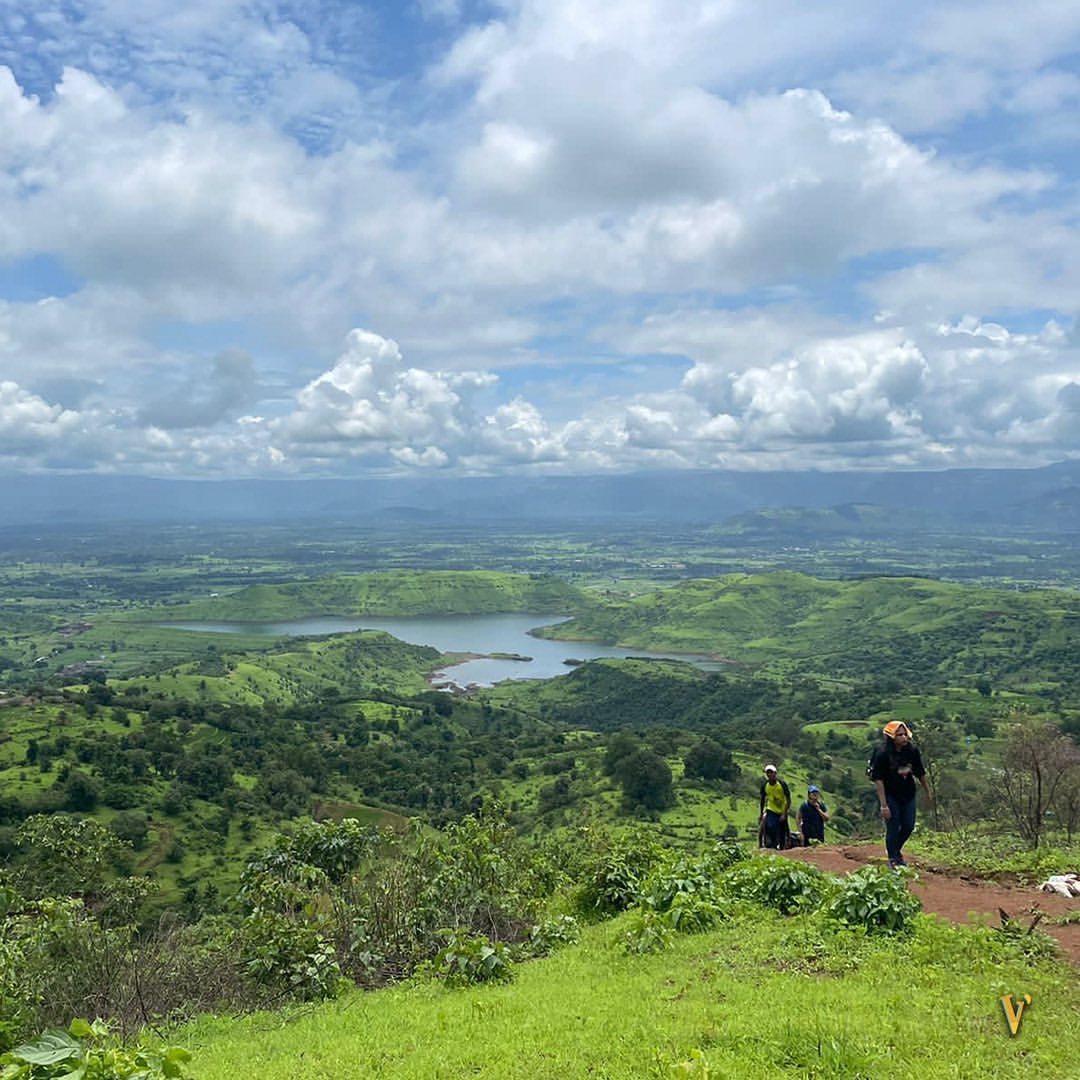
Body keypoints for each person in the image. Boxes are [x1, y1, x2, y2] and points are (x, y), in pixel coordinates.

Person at [870, 721, 932, 869]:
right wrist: (884, 805)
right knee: (893, 826)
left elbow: (920, 772)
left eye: (905, 734)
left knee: (908, 825)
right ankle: (893, 858)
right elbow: (878, 780)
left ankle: (895, 850)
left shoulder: (912, 751)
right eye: (899, 735)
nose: (903, 738)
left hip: (908, 793)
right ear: (891, 737)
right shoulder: (882, 754)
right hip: (891, 795)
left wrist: (928, 791)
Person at [758, 764, 791, 850]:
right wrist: (761, 813)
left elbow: (788, 799)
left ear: (775, 773)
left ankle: (783, 845)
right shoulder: (765, 785)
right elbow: (762, 799)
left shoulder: (782, 784)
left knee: (782, 830)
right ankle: (771, 845)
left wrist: (784, 813)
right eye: (767, 773)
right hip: (771, 809)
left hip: (782, 810)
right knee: (770, 826)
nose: (769, 775)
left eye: (771, 772)